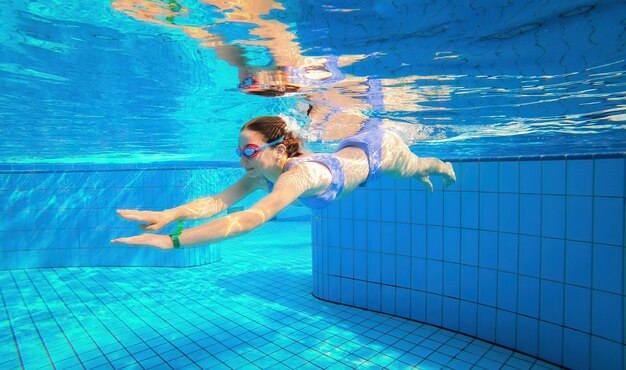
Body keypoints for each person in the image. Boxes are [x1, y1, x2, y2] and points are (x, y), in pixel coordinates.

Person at [111, 116, 456, 249]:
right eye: (239, 151)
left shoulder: (297, 176)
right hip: (351, 147)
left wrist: (173, 242)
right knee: (413, 172)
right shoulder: (262, 172)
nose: (242, 160)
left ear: (279, 150)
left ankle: (441, 167)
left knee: (418, 167)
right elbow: (219, 202)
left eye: (249, 150)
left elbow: (249, 219)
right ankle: (422, 172)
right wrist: (170, 214)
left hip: (381, 153)